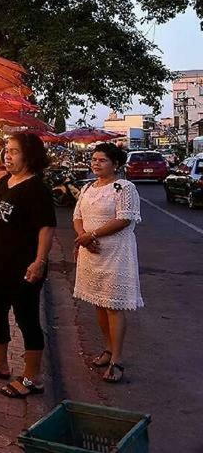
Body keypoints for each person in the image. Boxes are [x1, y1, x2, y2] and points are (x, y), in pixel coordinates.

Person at [0, 133, 56, 399]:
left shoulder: (37, 189)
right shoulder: (7, 182)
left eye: (14, 151)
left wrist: (39, 261)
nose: (8, 155)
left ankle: (33, 377)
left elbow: (46, 229)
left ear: (29, 156)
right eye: (7, 150)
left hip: (24, 265)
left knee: (26, 317)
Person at [72, 143, 143, 384]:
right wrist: (84, 237)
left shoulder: (124, 187)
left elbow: (124, 219)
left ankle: (117, 359)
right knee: (99, 304)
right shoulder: (87, 188)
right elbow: (77, 217)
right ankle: (107, 349)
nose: (95, 163)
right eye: (93, 159)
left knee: (113, 305)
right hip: (91, 253)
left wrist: (92, 236)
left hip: (115, 253)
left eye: (102, 160)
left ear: (115, 164)